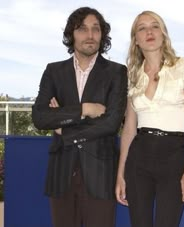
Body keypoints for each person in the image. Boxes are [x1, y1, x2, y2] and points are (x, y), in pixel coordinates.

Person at [32, 7, 127, 227]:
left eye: (96, 29)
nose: (90, 35)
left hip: (101, 174)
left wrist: (64, 128)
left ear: (102, 35)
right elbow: (40, 118)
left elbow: (111, 123)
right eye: (82, 29)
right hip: (61, 173)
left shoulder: (116, 72)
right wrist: (84, 109)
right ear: (71, 34)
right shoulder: (54, 71)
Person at [115, 10, 184, 227]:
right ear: (135, 40)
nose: (149, 31)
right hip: (139, 156)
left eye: (154, 26)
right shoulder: (132, 74)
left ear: (163, 33)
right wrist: (120, 174)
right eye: (142, 28)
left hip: (174, 155)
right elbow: (129, 129)